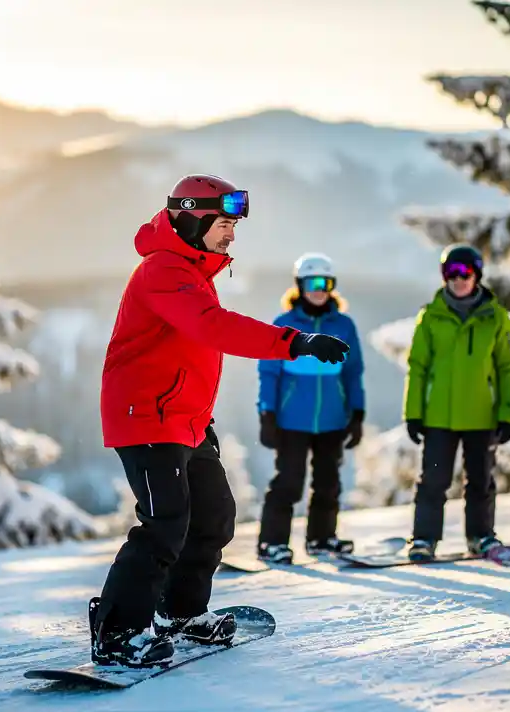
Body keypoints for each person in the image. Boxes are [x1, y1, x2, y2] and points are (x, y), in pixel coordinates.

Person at [93, 174, 349, 667]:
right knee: (165, 525)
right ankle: (117, 632)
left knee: (213, 518)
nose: (232, 234)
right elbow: (211, 327)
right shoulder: (163, 270)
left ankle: (180, 615)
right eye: (225, 223)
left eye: (234, 223)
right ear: (193, 218)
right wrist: (294, 341)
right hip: (148, 417)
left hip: (185, 419)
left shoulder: (191, 270)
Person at [403, 244, 510, 562]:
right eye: (450, 273)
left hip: (482, 416)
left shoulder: (495, 317)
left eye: (464, 272)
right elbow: (417, 367)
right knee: (433, 481)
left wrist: (507, 414)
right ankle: (424, 539)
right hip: (438, 417)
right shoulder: (431, 316)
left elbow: (508, 367)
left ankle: (481, 536)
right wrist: (413, 414)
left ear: (477, 275)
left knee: (481, 481)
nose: (457, 279)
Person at [256, 253, 365, 563]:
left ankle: (321, 538)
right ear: (299, 285)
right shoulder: (284, 325)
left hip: (332, 419)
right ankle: (272, 543)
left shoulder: (344, 325)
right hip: (291, 420)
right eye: (312, 282)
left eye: (326, 282)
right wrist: (267, 412)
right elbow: (269, 372)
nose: (319, 289)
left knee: (328, 482)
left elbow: (353, 371)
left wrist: (357, 413)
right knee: (289, 482)